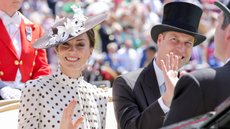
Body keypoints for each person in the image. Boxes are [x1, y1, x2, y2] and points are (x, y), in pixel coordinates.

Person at [112, 1, 206, 129]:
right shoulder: (127, 84)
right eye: (175, 39)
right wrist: (166, 100)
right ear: (160, 40)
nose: (181, 48)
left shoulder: (193, 87)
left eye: (188, 43)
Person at [17, 5, 110, 129]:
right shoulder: (35, 90)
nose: (72, 50)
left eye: (80, 44)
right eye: (65, 44)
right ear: (57, 49)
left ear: (90, 51)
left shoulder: (100, 96)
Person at [162, 1, 230, 126]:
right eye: (174, 39)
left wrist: (171, 99)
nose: (181, 48)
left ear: (229, 31)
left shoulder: (198, 82)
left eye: (218, 22)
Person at [0, 0, 50, 100]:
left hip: (28, 98)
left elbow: (41, 67)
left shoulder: (35, 29)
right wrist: (2, 88)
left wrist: (36, 88)